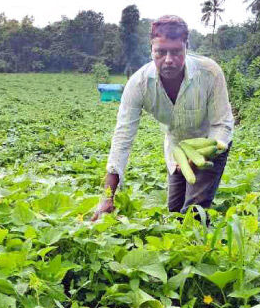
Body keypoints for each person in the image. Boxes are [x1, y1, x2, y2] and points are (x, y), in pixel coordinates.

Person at [91, 15, 234, 221]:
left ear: (186, 47)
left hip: (212, 143)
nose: (168, 59)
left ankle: (198, 247)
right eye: (160, 52)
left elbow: (222, 123)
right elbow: (122, 138)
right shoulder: (139, 84)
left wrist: (201, 156)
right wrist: (107, 196)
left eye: (176, 52)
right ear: (151, 49)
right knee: (174, 212)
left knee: (193, 213)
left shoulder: (209, 72)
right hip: (176, 148)